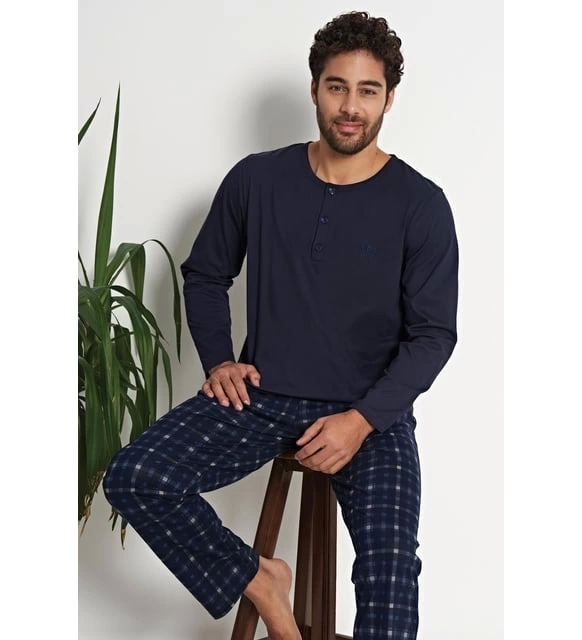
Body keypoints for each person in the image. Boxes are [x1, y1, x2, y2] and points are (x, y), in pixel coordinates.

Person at [103, 10, 459, 640]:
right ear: (315, 89)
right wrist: (220, 360)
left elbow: (433, 335)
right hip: (262, 397)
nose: (350, 107)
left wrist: (362, 420)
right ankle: (261, 579)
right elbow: (205, 274)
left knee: (390, 575)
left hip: (369, 414)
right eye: (337, 87)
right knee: (137, 476)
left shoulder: (421, 203)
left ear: (389, 99)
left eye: (367, 90)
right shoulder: (257, 179)